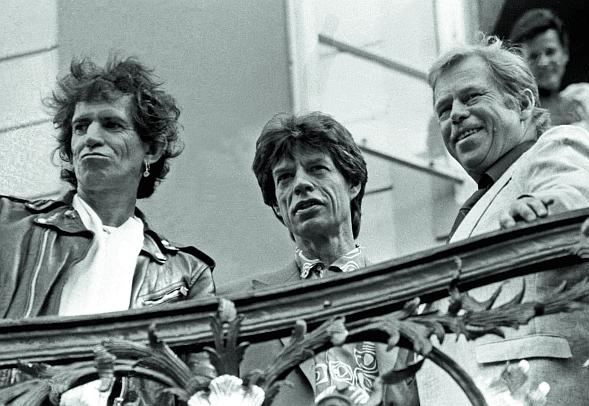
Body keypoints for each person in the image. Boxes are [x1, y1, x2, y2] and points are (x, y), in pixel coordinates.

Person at [0, 56, 216, 403]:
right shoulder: (9, 225)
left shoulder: (186, 274)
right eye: (80, 127)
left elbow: (203, 388)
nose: (91, 137)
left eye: (112, 124)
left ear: (152, 149)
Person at [416, 36, 589, 405]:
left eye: (471, 97)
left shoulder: (556, 145)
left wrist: (543, 210)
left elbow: (576, 200)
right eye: (444, 109)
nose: (455, 115)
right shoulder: (477, 206)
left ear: (524, 103)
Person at [220, 112, 419, 405]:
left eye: (317, 169)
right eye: (285, 177)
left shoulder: (413, 295)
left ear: (353, 184)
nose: (301, 184)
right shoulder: (235, 308)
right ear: (277, 206)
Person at [509, 8, 589, 141]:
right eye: (533, 56)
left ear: (565, 54)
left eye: (550, 52)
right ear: (521, 65)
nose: (543, 62)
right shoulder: (521, 117)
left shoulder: (580, 100)